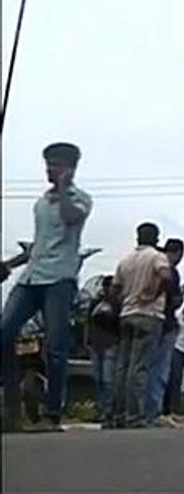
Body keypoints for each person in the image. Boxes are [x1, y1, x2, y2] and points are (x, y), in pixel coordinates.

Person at [0, 142, 94, 433]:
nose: (49, 170)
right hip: (32, 277)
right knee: (4, 332)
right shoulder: (40, 203)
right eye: (48, 165)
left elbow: (70, 218)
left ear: (70, 167)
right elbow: (38, 246)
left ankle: (52, 414)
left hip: (59, 280)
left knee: (56, 347)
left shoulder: (81, 199)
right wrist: (10, 265)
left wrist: (65, 188)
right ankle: (12, 407)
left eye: (55, 165)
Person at [112, 223, 172, 429]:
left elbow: (115, 289)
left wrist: (126, 301)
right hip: (149, 315)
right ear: (156, 238)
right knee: (139, 367)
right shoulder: (157, 257)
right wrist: (153, 295)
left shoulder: (125, 261)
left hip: (126, 314)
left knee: (122, 366)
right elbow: (166, 277)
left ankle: (117, 414)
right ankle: (134, 415)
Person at [147, 237, 184, 426]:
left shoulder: (148, 265)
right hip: (164, 322)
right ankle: (154, 411)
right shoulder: (170, 271)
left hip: (143, 317)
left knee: (140, 367)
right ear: (179, 253)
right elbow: (174, 300)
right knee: (160, 369)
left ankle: (134, 411)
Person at [87, 275, 121, 425]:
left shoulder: (118, 304)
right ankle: (100, 409)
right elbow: (88, 322)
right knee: (97, 379)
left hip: (111, 344)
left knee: (108, 379)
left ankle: (108, 411)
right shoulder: (96, 303)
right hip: (95, 344)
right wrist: (86, 341)